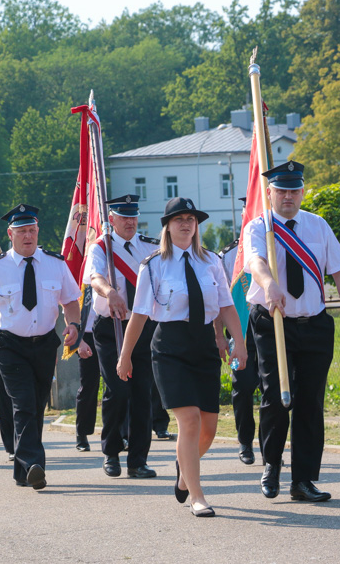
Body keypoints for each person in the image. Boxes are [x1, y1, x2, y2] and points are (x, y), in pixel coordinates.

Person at [117, 197, 247, 518]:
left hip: (203, 346)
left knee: (209, 428)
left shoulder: (210, 261)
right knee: (188, 421)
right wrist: (126, 356)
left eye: (191, 219)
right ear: (167, 225)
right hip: (170, 347)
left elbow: (226, 305)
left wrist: (238, 343)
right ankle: (198, 495)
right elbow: (139, 315)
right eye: (179, 219)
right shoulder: (154, 265)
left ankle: (183, 468)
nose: (186, 224)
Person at [243, 160, 340, 502]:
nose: (288, 196)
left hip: (315, 324)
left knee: (310, 403)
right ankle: (271, 465)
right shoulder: (259, 226)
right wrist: (268, 285)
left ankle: (304, 480)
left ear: (303, 191)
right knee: (278, 397)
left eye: (294, 190)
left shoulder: (318, 225)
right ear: (270, 193)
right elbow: (255, 262)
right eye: (281, 190)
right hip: (272, 322)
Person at [0, 204, 81, 490]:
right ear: (10, 234)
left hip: (45, 344)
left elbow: (71, 300)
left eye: (32, 230)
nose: (28, 236)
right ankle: (35, 463)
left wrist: (74, 325)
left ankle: (23, 471)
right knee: (22, 404)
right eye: (21, 231)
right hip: (10, 346)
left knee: (35, 405)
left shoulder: (55, 264)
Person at [85, 194, 159, 478]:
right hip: (111, 327)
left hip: (144, 328)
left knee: (143, 393)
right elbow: (96, 278)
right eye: (123, 217)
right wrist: (111, 292)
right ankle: (112, 451)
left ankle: (138, 460)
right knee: (117, 390)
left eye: (133, 216)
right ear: (112, 219)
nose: (130, 222)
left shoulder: (150, 246)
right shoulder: (101, 247)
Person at [220, 198, 261, 465]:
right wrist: (221, 335)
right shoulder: (228, 256)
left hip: (273, 329)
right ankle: (245, 442)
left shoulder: (278, 247)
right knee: (242, 388)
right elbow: (219, 297)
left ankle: (272, 445)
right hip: (241, 332)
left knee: (275, 390)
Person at [74, 306, 100, 452]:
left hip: (112, 333)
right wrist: (79, 341)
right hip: (87, 335)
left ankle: (122, 433)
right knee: (89, 386)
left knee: (118, 385)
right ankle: (82, 433)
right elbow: (70, 311)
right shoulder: (81, 283)